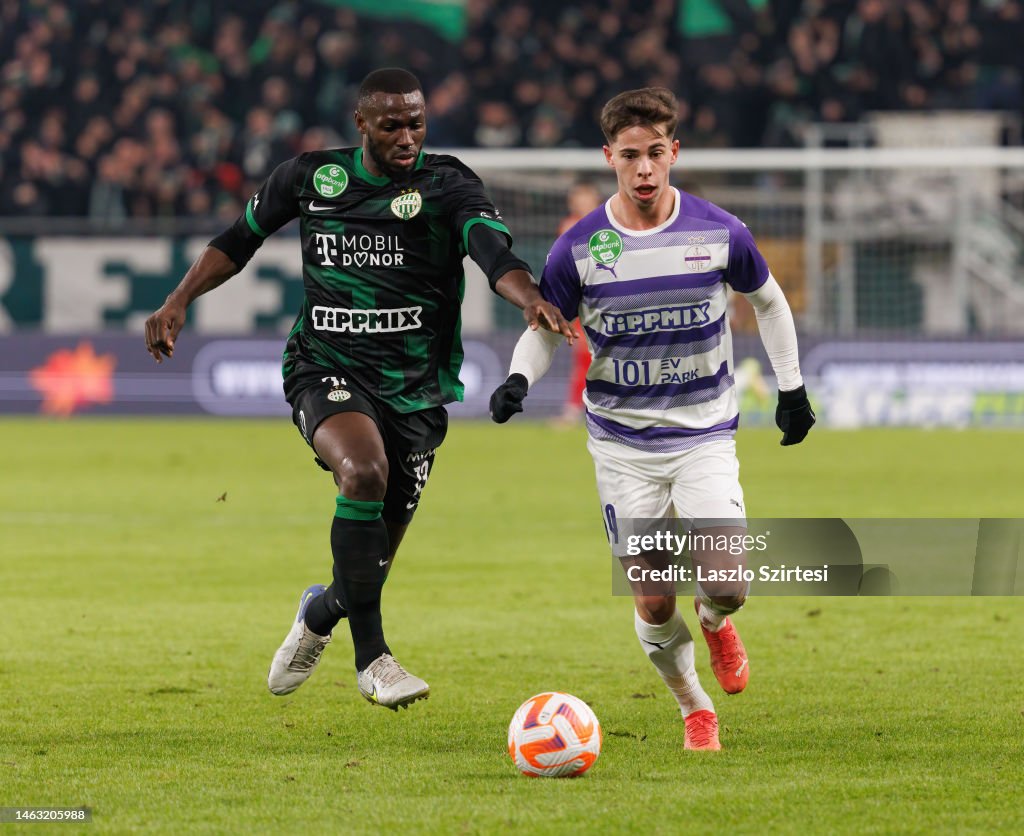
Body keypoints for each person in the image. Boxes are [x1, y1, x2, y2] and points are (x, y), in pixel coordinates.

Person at [145, 68, 573, 711]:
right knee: (364, 472)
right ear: (362, 125)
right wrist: (179, 301)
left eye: (417, 122)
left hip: (416, 389)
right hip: (324, 363)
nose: (407, 136)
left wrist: (529, 295)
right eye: (392, 124)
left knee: (368, 565)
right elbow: (238, 240)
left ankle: (321, 612)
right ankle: (373, 660)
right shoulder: (311, 178)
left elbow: (491, 252)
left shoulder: (447, 182)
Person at [489, 88, 814, 749]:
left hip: (704, 436)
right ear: (610, 157)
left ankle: (718, 624)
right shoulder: (579, 248)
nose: (644, 169)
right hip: (623, 448)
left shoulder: (719, 231)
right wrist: (519, 378)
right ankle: (694, 707)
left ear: (674, 153)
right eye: (630, 156)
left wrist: (793, 389)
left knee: (727, 585)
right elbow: (547, 327)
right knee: (654, 601)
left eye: (655, 154)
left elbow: (772, 304)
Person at [554, 180, 603, 425]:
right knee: (584, 355)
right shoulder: (568, 226)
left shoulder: (609, 223)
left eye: (586, 198)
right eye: (578, 198)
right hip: (581, 300)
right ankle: (575, 409)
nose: (582, 203)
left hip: (608, 298)